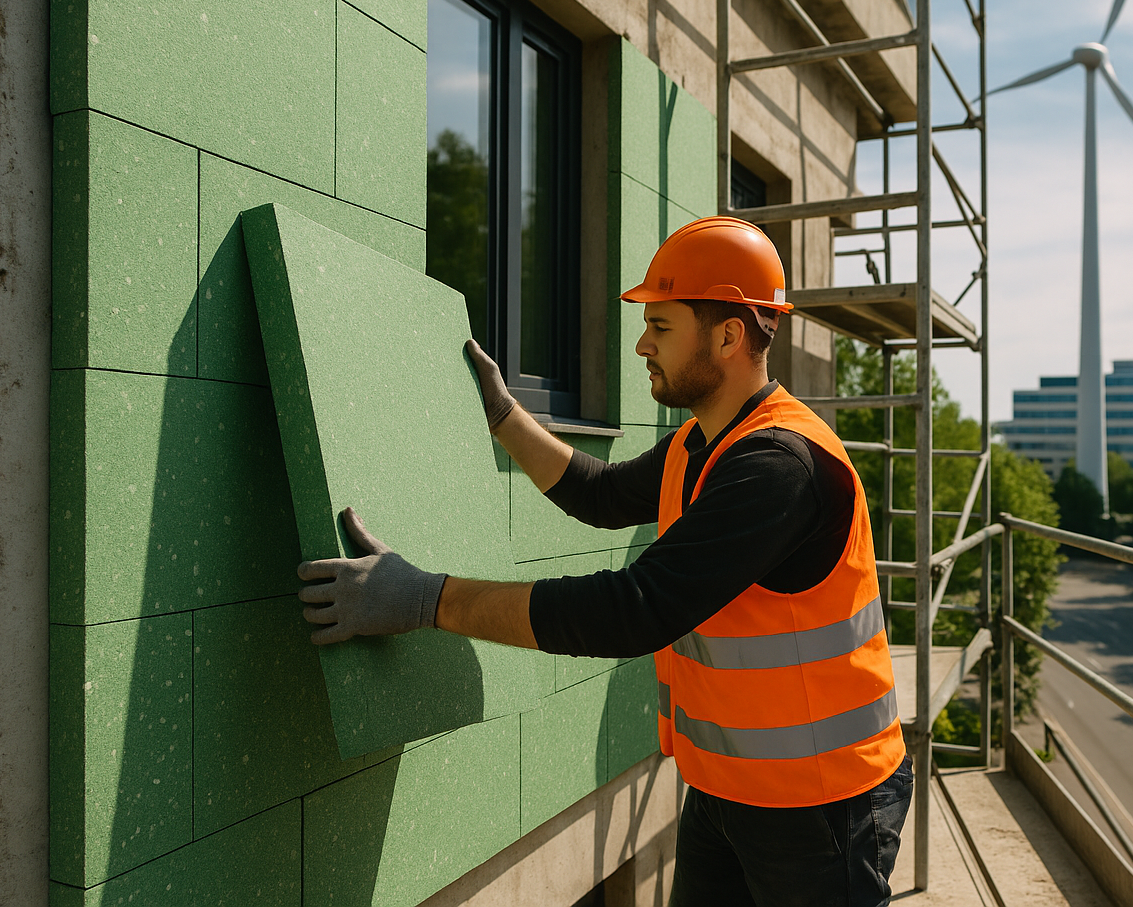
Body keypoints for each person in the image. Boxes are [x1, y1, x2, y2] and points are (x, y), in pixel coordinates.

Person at [297, 216, 914, 907]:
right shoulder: (700, 445)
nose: (642, 343)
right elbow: (602, 493)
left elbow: (632, 611)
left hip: (822, 804)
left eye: (662, 325)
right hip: (729, 790)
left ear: (729, 335)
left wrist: (426, 600)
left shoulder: (780, 467)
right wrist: (505, 416)